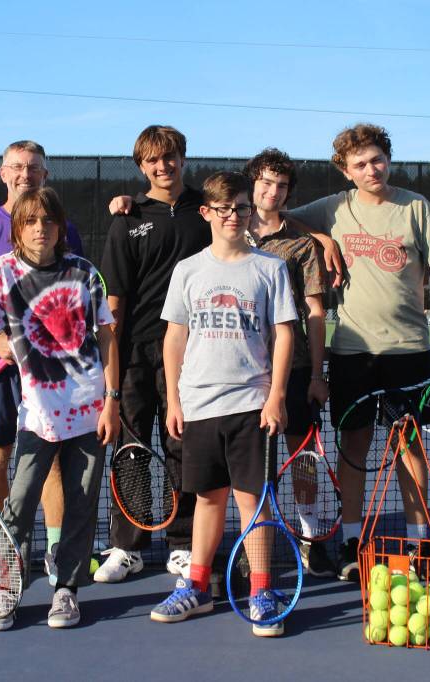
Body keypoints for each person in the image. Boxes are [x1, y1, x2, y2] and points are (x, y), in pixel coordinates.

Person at [284, 123, 430, 581]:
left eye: (377, 160)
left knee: (409, 448)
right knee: (354, 447)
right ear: (346, 172)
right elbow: (278, 216)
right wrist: (323, 238)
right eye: (360, 164)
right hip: (352, 352)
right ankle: (351, 541)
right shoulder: (333, 209)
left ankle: (416, 542)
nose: (372, 170)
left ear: (388, 159)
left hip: (408, 351)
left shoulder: (415, 206)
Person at [0, 187, 119, 631]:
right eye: (30, 221)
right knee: (19, 504)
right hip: (37, 415)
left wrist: (112, 400)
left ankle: (66, 591)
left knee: (82, 506)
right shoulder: (0, 272)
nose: (40, 229)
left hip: (89, 409)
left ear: (60, 228)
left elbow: (107, 337)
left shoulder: (85, 273)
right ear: (18, 228)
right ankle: (6, 589)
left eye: (48, 221)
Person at [150, 170, 296, 637]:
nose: (234, 216)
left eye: (241, 208)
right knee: (207, 499)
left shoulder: (269, 268)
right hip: (198, 406)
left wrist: (275, 396)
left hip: (252, 404)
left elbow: (285, 334)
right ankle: (197, 587)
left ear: (250, 212)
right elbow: (174, 338)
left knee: (253, 502)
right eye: (224, 208)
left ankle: (260, 591)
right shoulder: (188, 271)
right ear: (207, 213)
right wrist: (173, 398)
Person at [0, 140, 85, 586]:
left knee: (50, 460)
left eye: (33, 167)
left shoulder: (61, 229)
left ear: (45, 175)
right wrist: (0, 335)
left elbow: (72, 292)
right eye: (17, 167)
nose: (25, 173)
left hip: (51, 374)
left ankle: (53, 548)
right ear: (3, 173)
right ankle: (0, 546)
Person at [95, 125, 209, 583]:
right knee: (131, 448)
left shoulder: (208, 210)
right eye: (153, 161)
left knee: (183, 447)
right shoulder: (127, 217)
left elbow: (264, 214)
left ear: (183, 157)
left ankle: (183, 543)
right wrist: (112, 372)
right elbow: (114, 303)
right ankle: (128, 546)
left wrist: (317, 237)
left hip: (194, 352)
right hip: (137, 352)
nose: (163, 166)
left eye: (170, 157)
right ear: (142, 166)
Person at [242, 148, 336, 577]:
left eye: (281, 186)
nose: (272, 191)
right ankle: (252, 544)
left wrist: (318, 374)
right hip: (242, 372)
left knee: (302, 458)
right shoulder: (227, 231)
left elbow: (315, 313)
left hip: (296, 369)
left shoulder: (302, 245)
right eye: (265, 182)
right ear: (252, 184)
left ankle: (309, 537)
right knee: (249, 466)